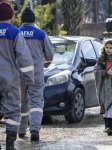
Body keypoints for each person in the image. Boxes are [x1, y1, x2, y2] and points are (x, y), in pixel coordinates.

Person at [0, 2, 34, 150]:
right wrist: (29, 77)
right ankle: (9, 144)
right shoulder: (14, 32)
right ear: (11, 17)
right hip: (9, 78)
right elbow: (24, 58)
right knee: (13, 111)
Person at [18, 7, 54, 141]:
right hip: (36, 73)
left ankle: (21, 130)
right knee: (36, 102)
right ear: (34, 20)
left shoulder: (16, 32)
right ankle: (34, 129)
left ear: (22, 20)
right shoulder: (41, 34)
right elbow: (50, 55)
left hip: (18, 73)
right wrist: (44, 65)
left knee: (21, 102)